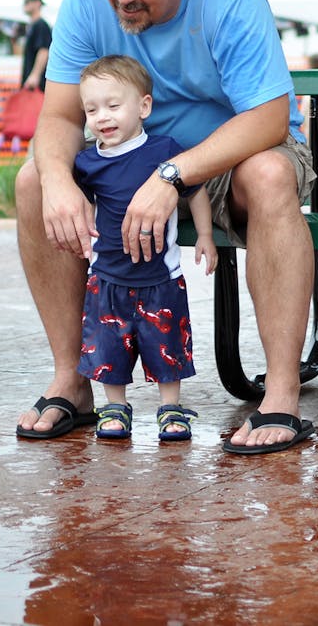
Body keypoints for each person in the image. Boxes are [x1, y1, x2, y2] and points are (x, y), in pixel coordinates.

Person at [13, 0, 318, 455]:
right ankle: (73, 380)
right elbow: (58, 116)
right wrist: (57, 181)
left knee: (272, 175)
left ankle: (281, 392)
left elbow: (268, 118)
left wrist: (170, 175)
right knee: (35, 181)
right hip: (125, 156)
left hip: (230, 154)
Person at [71, 55, 217, 441]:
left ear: (144, 107)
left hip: (160, 279)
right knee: (106, 347)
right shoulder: (87, 163)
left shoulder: (164, 150)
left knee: (166, 345)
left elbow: (197, 190)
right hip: (107, 278)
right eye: (92, 109)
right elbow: (82, 203)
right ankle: (114, 407)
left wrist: (205, 235)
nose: (103, 116)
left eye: (113, 105)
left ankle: (171, 408)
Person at [20, 0, 52, 90]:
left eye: (27, 2)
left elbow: (44, 50)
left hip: (38, 84)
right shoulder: (33, 26)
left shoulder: (41, 25)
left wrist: (35, 75)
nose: (24, 5)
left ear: (37, 3)